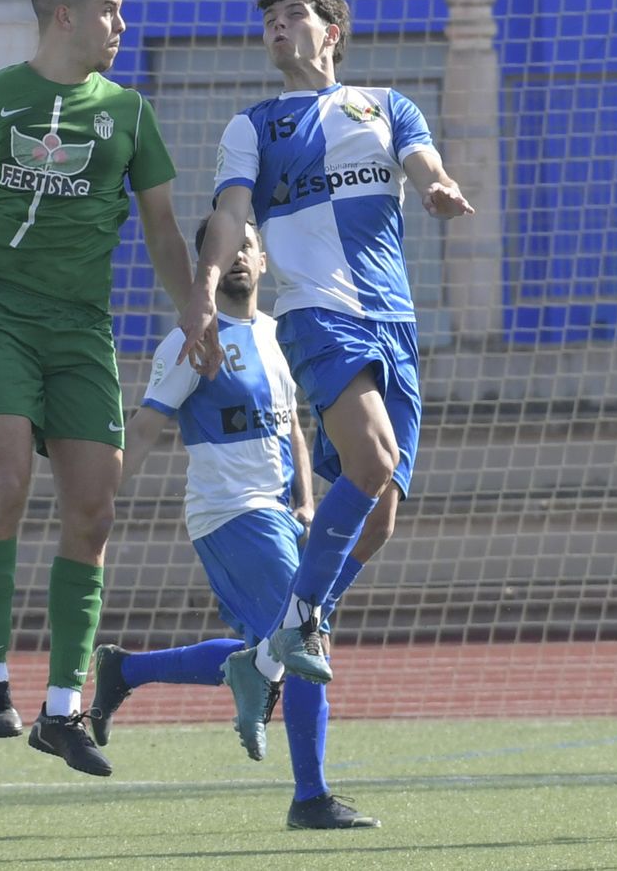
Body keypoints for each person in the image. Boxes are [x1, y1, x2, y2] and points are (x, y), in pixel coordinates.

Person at [0, 0, 194, 777]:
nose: (122, 25)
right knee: (3, 481)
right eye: (110, 9)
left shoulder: (130, 111)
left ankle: (65, 708)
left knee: (94, 510)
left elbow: (165, 231)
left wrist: (192, 307)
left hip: (81, 328)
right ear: (64, 15)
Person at [176, 0, 473, 683]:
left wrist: (437, 184)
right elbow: (229, 215)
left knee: (380, 517)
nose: (278, 25)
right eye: (270, 18)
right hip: (318, 314)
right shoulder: (253, 125)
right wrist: (205, 286)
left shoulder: (386, 106)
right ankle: (302, 619)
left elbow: (423, 162)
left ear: (331, 32)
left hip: (394, 321)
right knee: (371, 462)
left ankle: (269, 648)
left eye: (294, 14)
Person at [87, 218, 379, 830]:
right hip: (229, 514)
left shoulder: (277, 335)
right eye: (224, 251)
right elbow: (144, 426)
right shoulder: (193, 340)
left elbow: (293, 425)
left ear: (265, 261)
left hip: (276, 512)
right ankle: (311, 798)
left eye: (248, 246)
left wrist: (305, 499)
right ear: (206, 269)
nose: (239, 257)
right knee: (303, 641)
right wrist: (98, 500)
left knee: (269, 647)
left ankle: (125, 670)